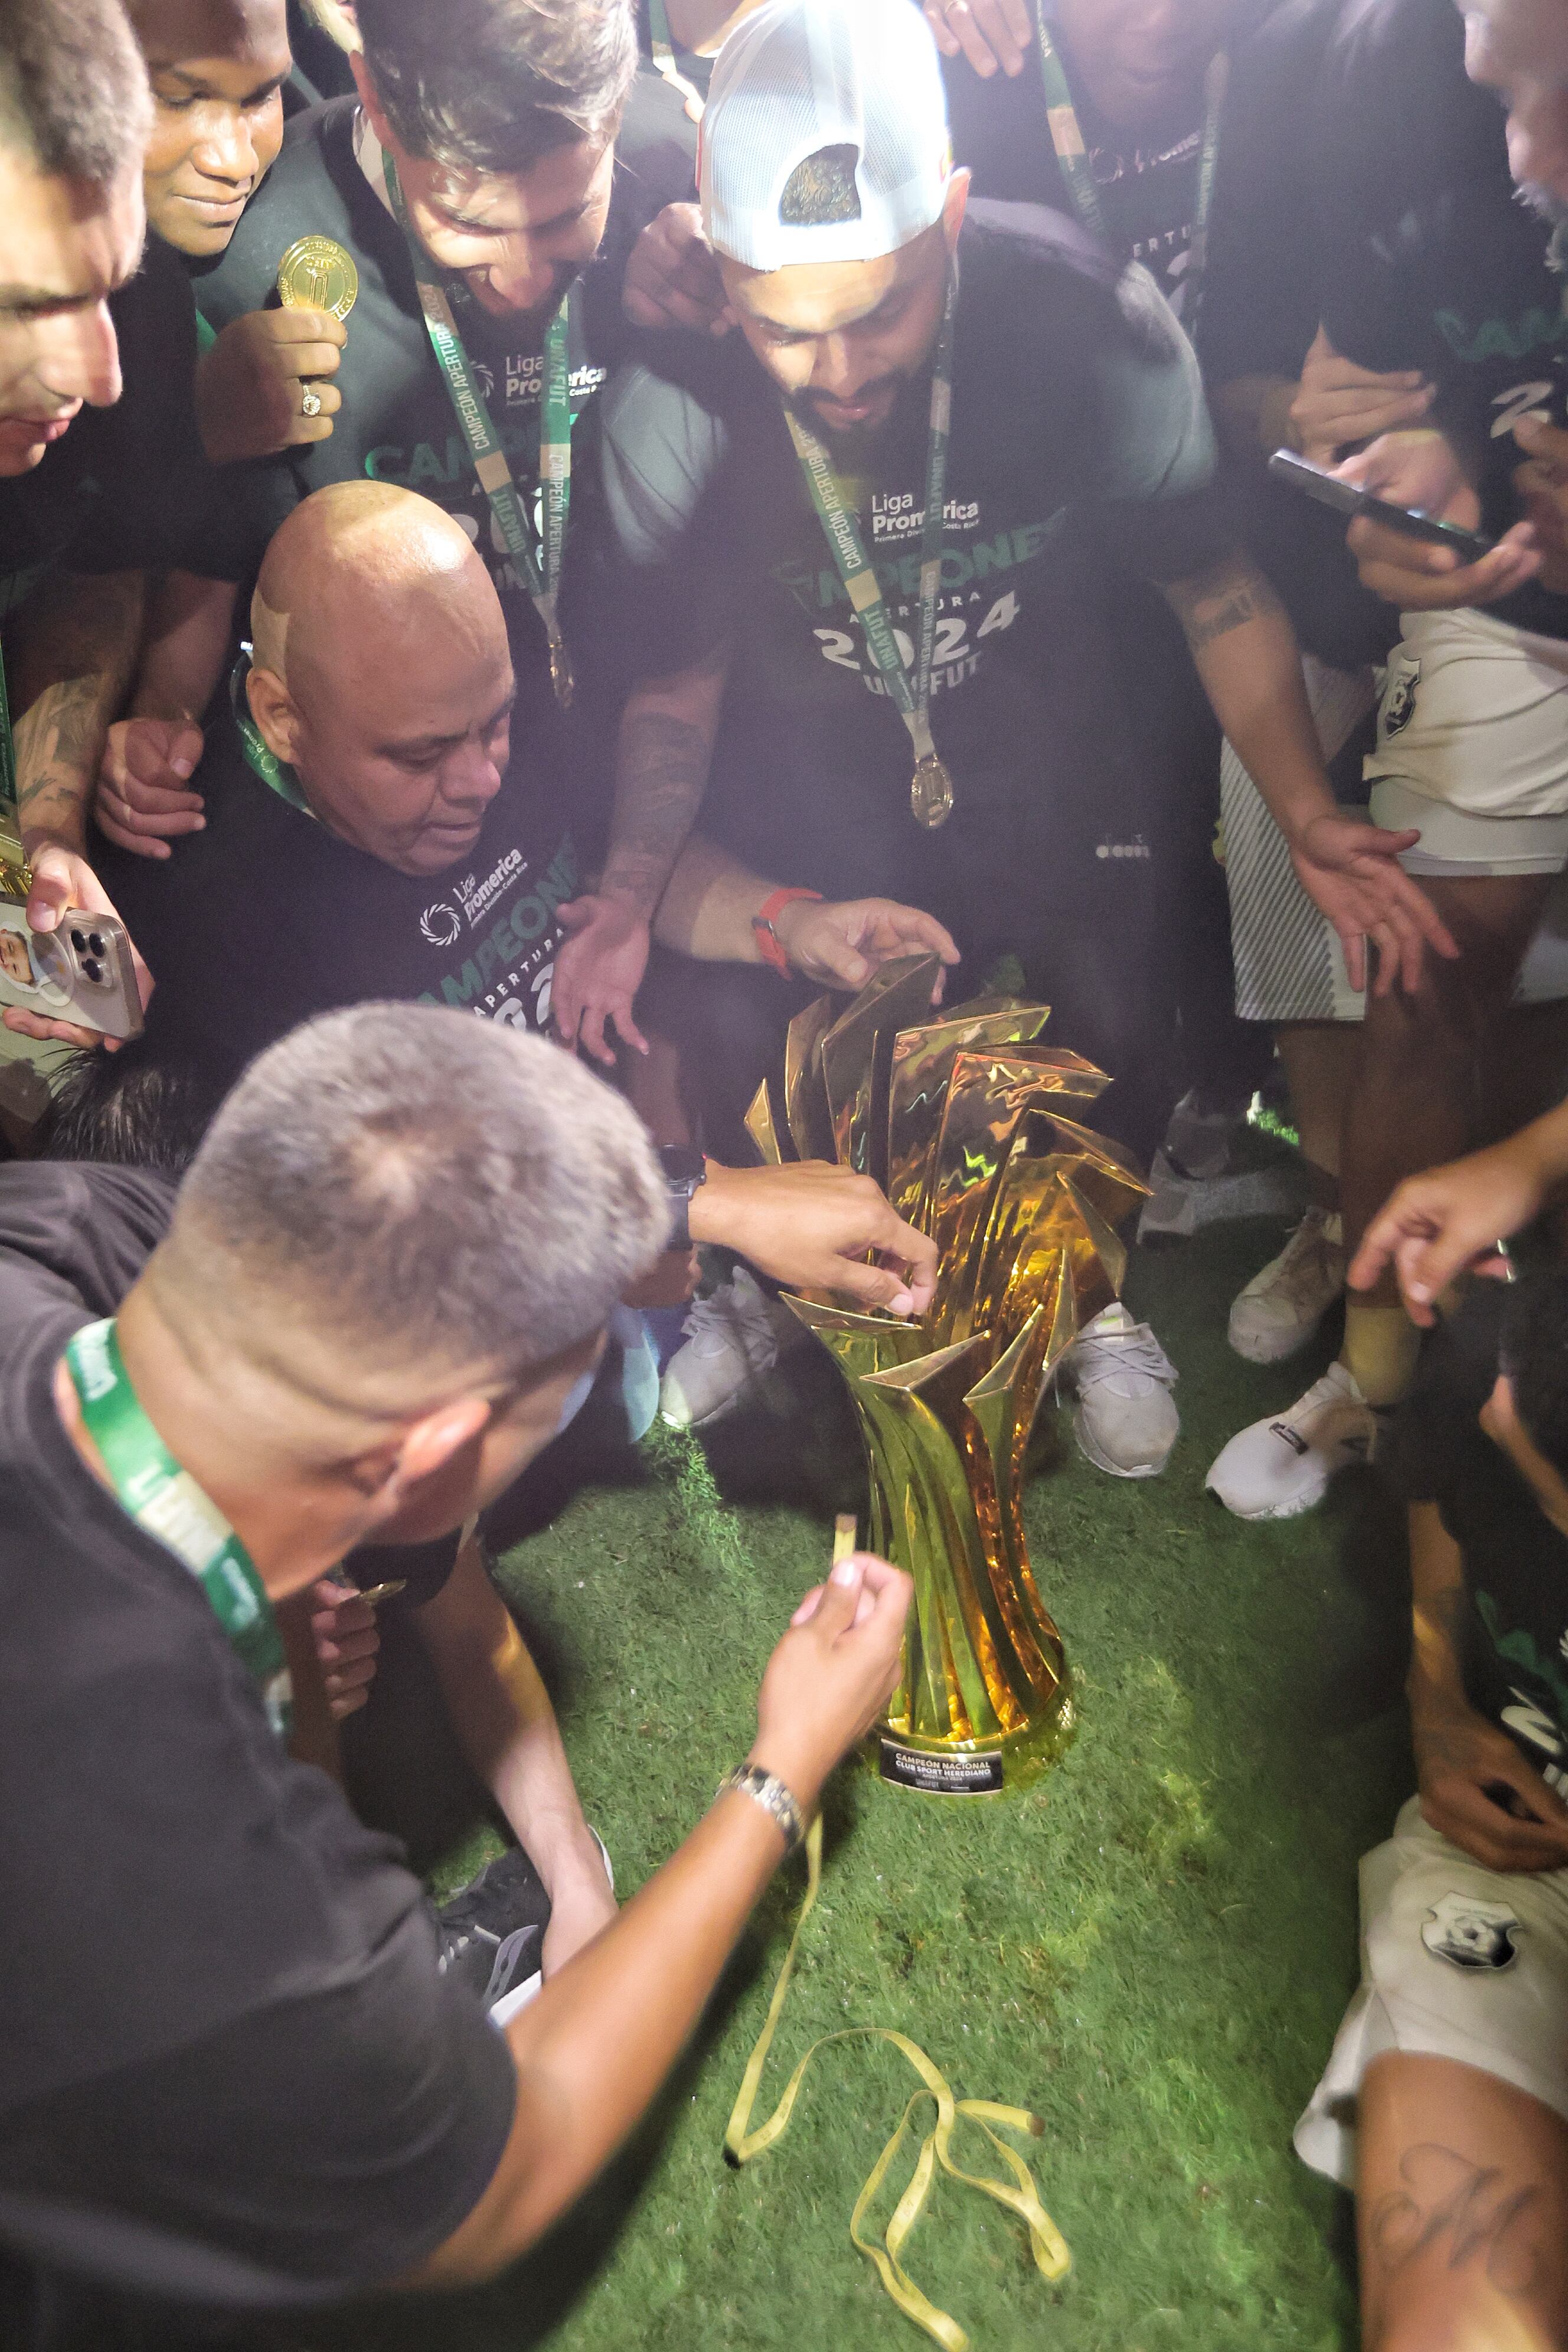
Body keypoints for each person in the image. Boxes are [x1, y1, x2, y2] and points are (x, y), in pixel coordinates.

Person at [563, 0, 1456, 1479]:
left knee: (1104, 1019)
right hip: (807, 788)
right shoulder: (671, 402)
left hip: (1051, 756)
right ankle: (774, 1289)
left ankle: (1091, 1298)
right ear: (719, 271)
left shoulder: (1085, 315)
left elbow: (1212, 582)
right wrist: (635, 885)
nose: (838, 370)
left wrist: (1298, 809)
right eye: (787, 327)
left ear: (955, 223)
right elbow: (672, 686)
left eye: (882, 312)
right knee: (779, 1045)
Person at [0, 997, 912, 2343]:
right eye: (540, 1426)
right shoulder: (202, 1876)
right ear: (429, 1459)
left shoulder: (69, 1230)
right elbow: (505, 2174)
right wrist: (782, 1765)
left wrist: (692, 1207)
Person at [75, 484, 945, 1325]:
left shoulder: (484, 681)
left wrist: (788, 920)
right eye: (419, 758)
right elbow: (393, 1184)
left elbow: (604, 858)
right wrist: (693, 1201)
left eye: (496, 725)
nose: (483, 780)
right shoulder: (205, 889)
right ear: (282, 719)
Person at [1198, 0, 1568, 1520]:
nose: (1521, 155)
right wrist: (1429, 480)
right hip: (1519, 598)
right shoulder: (1366, 68)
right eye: (1498, 102)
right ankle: (1375, 1386)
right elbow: (1356, 400)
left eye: (1557, 100)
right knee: (1419, 951)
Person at [1293, 1264, 1568, 2352]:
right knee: (1463, 2305)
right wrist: (1437, 1691)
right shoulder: (1511, 1350)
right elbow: (1451, 1446)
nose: (1504, 1412)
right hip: (1520, 1849)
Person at [0, 0, 216, 1026]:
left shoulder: (143, 314)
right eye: (31, 304)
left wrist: (49, 840)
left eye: (110, 289)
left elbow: (87, 568)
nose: (103, 374)